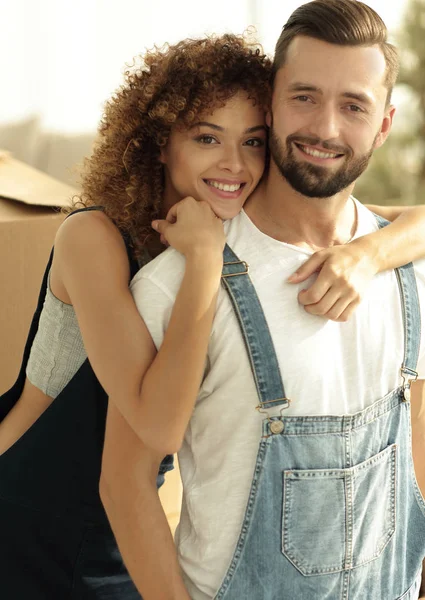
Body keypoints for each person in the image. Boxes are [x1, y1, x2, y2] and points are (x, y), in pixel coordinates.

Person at [110, 2, 425, 599]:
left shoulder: (409, 269)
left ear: (383, 124)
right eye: (304, 96)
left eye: (353, 105)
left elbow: (419, 451)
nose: (326, 128)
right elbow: (126, 486)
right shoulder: (176, 283)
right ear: (271, 104)